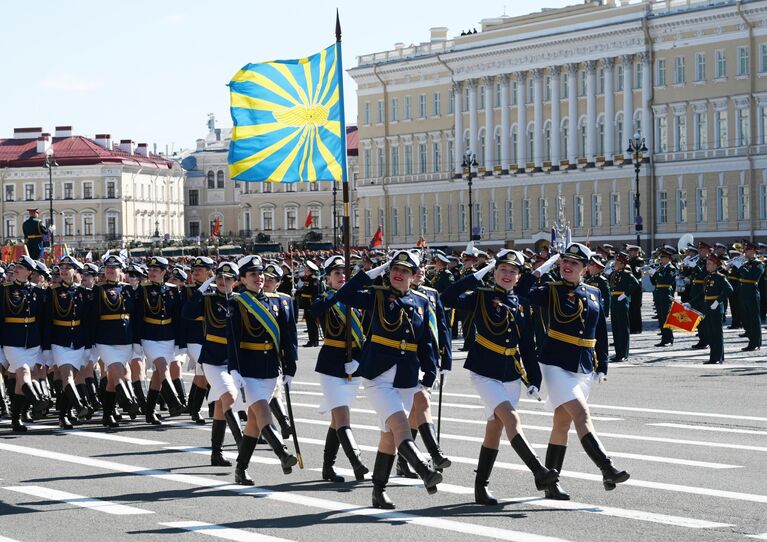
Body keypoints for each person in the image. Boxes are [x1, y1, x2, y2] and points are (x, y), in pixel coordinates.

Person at [442, 249, 557, 505]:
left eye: (513, 272)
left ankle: (480, 487)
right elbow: (447, 297)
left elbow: (527, 344)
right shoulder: (480, 296)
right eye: (503, 270)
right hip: (484, 370)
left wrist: (534, 379)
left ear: (519, 277)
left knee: (495, 428)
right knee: (511, 418)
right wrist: (475, 276)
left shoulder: (522, 303)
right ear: (493, 272)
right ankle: (539, 471)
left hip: (511, 373)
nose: (507, 275)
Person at [335, 250, 442, 510]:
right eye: (395, 268)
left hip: (406, 376)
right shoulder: (377, 295)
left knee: (389, 436)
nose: (398, 273)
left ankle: (378, 491)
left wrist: (431, 370)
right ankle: (424, 470)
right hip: (378, 376)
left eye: (405, 270)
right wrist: (369, 273)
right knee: (400, 426)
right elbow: (344, 295)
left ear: (414, 275)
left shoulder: (421, 301)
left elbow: (425, 340)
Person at [527, 243, 630, 498]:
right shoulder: (550, 290)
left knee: (562, 423)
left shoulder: (594, 292)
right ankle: (607, 468)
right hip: (555, 362)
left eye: (574, 263)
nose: (567, 266)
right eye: (564, 262)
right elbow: (523, 290)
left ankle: (551, 483)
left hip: (583, 365)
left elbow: (600, 332)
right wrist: (541, 269)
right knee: (581, 414)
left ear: (585, 268)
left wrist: (602, 363)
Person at [228, 255, 298, 484]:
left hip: (270, 368)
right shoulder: (237, 303)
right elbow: (233, 339)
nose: (259, 278)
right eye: (253, 275)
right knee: (261, 410)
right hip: (248, 368)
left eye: (261, 274)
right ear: (242, 279)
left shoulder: (277, 302)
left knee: (253, 423)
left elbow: (288, 337)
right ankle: (282, 452)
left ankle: (240, 469)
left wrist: (290, 366)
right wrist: (234, 370)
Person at [310, 255, 370, 483]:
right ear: (327, 278)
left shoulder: (357, 300)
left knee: (337, 420)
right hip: (331, 365)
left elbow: (368, 333)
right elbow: (316, 310)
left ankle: (327, 468)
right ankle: (358, 463)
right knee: (342, 415)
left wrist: (360, 361)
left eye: (344, 273)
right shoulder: (324, 298)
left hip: (355, 364)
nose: (342, 276)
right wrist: (339, 295)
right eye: (336, 273)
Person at [182, 261, 243, 466]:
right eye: (219, 278)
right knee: (229, 396)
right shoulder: (207, 300)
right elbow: (187, 314)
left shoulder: (242, 301)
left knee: (220, 405)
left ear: (235, 282)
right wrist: (199, 291)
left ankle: (216, 452)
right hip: (213, 359)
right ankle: (241, 442)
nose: (222, 282)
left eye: (228, 279)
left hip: (234, 359)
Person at [396, 260, 452, 479]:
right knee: (421, 403)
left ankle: (403, 461)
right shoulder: (398, 295)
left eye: (420, 269)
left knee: (414, 411)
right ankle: (434, 453)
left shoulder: (431, 294)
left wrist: (445, 361)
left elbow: (442, 326)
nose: (419, 273)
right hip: (408, 357)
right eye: (414, 270)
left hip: (427, 357)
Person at [41, 255, 95, 428]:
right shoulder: (52, 292)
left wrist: (88, 346)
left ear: (75, 272)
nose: (63, 271)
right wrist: (47, 347)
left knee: (72, 378)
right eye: (61, 269)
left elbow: (88, 321)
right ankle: (79, 406)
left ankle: (63, 416)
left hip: (77, 340)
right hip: (59, 340)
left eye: (67, 269)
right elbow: (46, 321)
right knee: (67, 375)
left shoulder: (83, 293)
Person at [132, 256, 185, 425]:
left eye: (156, 270)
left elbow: (177, 317)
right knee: (162, 365)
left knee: (157, 374)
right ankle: (174, 402)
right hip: (149, 335)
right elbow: (137, 316)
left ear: (163, 272)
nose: (152, 273)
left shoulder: (172, 290)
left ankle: (149, 411)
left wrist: (179, 342)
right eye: (150, 270)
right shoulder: (142, 290)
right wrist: (136, 340)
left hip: (167, 335)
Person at [1, 256, 49, 431]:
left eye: (21, 267)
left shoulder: (39, 292)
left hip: (32, 341)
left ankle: (16, 420)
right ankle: (36, 400)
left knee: (23, 379)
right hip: (11, 340)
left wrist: (45, 344)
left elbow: (44, 320)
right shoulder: (4, 290)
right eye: (16, 266)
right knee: (23, 371)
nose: (16, 269)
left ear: (29, 272)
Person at [89, 255, 137, 428]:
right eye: (107, 268)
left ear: (121, 271)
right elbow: (91, 317)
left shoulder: (129, 290)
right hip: (105, 339)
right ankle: (130, 401)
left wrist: (136, 340)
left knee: (112, 378)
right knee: (117, 370)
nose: (110, 270)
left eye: (114, 268)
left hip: (125, 339)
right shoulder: (98, 290)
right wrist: (91, 342)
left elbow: (135, 316)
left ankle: (107, 414)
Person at [182, 256, 216, 424]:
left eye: (199, 270)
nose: (195, 273)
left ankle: (197, 406)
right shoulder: (188, 290)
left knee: (202, 373)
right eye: (194, 270)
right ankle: (196, 410)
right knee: (204, 370)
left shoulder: (217, 289)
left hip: (213, 336)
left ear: (209, 272)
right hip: (194, 336)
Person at [690, 254, 733, 364]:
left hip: (716, 308)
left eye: (709, 263)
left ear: (715, 265)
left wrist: (717, 302)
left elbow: (729, 290)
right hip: (707, 307)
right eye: (707, 263)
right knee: (710, 333)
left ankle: (718, 357)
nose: (707, 265)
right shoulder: (707, 277)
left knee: (717, 333)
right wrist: (689, 303)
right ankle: (713, 357)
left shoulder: (720, 277)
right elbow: (703, 293)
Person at [608, 252, 639, 363]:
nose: (615, 263)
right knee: (616, 328)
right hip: (614, 301)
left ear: (622, 264)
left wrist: (625, 294)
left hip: (622, 301)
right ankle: (618, 353)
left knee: (623, 328)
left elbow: (636, 284)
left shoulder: (627, 274)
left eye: (617, 262)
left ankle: (623, 354)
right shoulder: (613, 273)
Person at [738, 243, 764, 351]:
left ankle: (756, 342)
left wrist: (741, 266)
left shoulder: (759, 264)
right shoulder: (747, 263)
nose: (745, 253)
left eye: (747, 251)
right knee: (747, 318)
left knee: (754, 319)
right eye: (745, 251)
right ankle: (751, 340)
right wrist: (738, 265)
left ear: (753, 251)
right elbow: (737, 274)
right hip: (744, 292)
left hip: (752, 292)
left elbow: (752, 276)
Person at [649, 248, 676, 347]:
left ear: (669, 258)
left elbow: (667, 281)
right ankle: (664, 338)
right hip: (658, 293)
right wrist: (651, 274)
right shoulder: (661, 268)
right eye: (661, 257)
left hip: (666, 293)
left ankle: (669, 339)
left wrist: (655, 273)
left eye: (663, 257)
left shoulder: (671, 269)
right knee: (660, 318)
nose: (661, 259)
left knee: (666, 317)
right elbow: (654, 282)